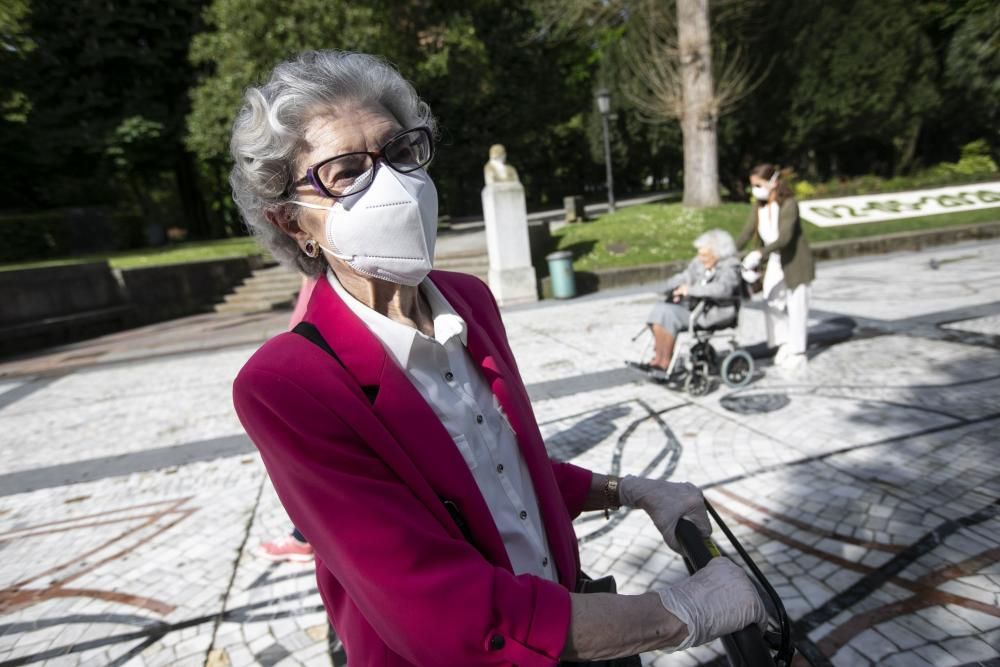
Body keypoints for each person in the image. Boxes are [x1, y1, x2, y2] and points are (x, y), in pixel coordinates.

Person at [230, 50, 765, 666]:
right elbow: (438, 612)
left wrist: (631, 489)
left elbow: (508, 470)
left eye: (399, 152)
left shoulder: (468, 299)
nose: (392, 184)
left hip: (570, 628)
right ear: (292, 221)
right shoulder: (287, 386)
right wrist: (676, 614)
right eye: (347, 171)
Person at [736, 164, 815, 374]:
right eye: (753, 186)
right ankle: (783, 343)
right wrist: (724, 251)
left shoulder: (789, 205)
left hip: (795, 262)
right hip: (774, 262)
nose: (755, 190)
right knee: (772, 301)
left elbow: (785, 239)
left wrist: (760, 253)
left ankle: (798, 351)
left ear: (774, 183)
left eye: (758, 185)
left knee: (797, 305)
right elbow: (746, 233)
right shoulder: (759, 207)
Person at [638, 230, 742, 373]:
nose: (700, 258)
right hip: (696, 309)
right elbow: (685, 276)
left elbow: (723, 289)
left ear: (717, 254)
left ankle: (665, 362)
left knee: (669, 314)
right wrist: (672, 287)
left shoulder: (730, 267)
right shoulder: (699, 263)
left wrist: (690, 290)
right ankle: (658, 358)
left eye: (705, 255)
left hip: (714, 313)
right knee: (659, 310)